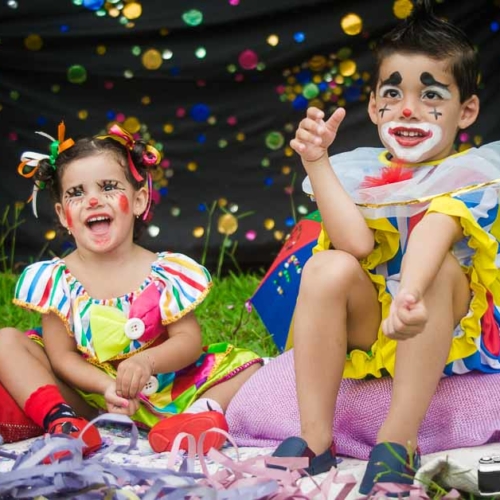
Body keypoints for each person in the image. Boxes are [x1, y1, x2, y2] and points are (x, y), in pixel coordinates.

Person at [270, 0, 500, 494]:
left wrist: (410, 296)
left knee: (439, 271)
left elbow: (437, 231)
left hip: (442, 319)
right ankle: (314, 440)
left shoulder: (473, 173)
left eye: (431, 94)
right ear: (374, 107)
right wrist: (317, 162)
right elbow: (354, 244)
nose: (409, 108)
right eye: (393, 93)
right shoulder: (364, 171)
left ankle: (397, 440)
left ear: (467, 111)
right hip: (378, 325)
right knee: (327, 264)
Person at [0, 121, 262, 457]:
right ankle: (63, 422)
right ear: (63, 215)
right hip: (90, 396)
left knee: (250, 365)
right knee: (7, 340)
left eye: (108, 187)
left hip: (165, 390)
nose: (92, 200)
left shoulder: (165, 272)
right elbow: (61, 356)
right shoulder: (56, 279)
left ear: (139, 201)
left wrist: (147, 362)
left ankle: (196, 417)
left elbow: (188, 342)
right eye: (76, 193)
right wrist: (106, 386)